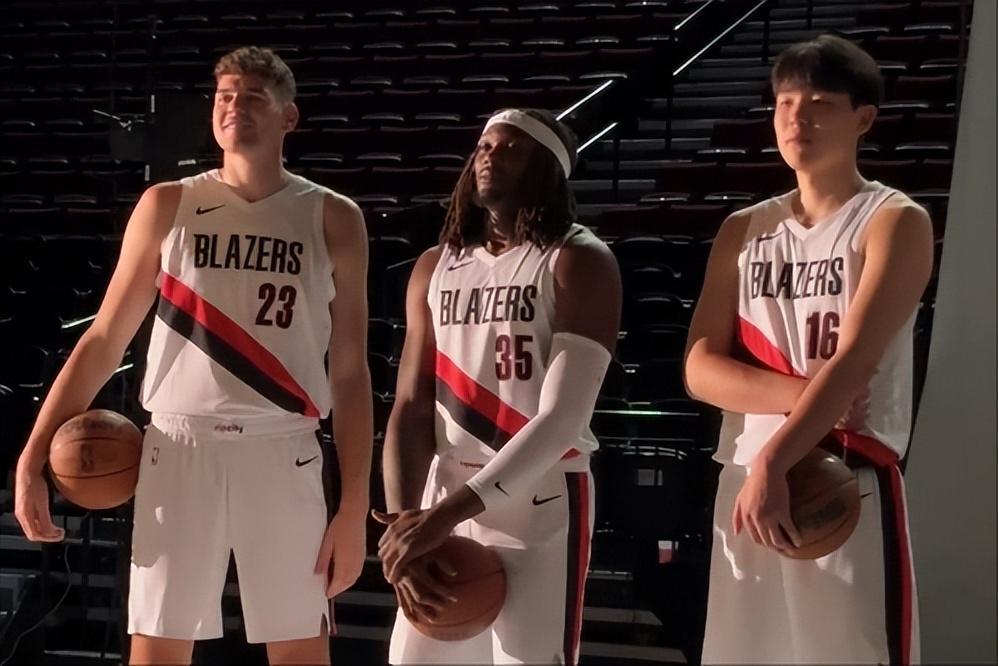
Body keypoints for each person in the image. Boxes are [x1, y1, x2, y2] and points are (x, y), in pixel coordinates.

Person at [13, 46, 372, 665]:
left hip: (283, 448)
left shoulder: (333, 216)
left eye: (253, 97)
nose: (235, 107)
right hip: (179, 446)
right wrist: (32, 454)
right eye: (225, 96)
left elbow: (350, 369)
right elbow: (105, 339)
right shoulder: (167, 203)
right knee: (156, 650)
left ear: (289, 117)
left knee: (299, 652)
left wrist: (354, 504)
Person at [685, 35, 933, 665]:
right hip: (748, 481)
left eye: (820, 103)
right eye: (785, 103)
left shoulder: (895, 220)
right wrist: (795, 408)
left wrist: (778, 455)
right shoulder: (743, 229)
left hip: (844, 473)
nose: (797, 118)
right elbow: (699, 369)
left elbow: (855, 361)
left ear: (863, 118)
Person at [374, 108, 622, 665]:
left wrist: (439, 519)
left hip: (541, 497)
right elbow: (411, 407)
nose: (488, 156)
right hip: (445, 493)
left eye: (510, 147)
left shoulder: (579, 260)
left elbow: (563, 420)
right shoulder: (435, 265)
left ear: (547, 168)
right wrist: (405, 523)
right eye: (484, 146)